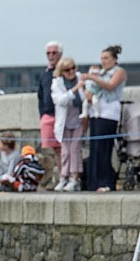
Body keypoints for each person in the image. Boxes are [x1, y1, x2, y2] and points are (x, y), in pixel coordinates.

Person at [80, 45, 127, 192]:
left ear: (114, 59)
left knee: (104, 148)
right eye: (102, 59)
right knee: (95, 149)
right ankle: (93, 182)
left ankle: (105, 182)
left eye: (106, 58)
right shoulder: (100, 73)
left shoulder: (119, 72)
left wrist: (92, 77)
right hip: (96, 113)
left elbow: (110, 86)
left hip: (109, 114)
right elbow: (91, 89)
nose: (104, 61)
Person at [51, 56, 86, 192]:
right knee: (65, 152)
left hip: (78, 120)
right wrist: (74, 90)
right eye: (67, 70)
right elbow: (60, 100)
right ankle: (63, 177)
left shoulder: (80, 78)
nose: (71, 72)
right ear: (62, 71)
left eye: (73, 68)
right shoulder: (57, 83)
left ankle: (74, 177)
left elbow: (84, 98)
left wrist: (79, 87)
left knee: (75, 150)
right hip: (64, 122)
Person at [38, 41, 63, 176]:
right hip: (48, 114)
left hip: (62, 115)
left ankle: (67, 177)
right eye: (48, 53)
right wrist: (42, 115)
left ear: (60, 54)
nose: (51, 56)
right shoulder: (45, 74)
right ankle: (61, 176)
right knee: (55, 149)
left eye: (54, 53)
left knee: (65, 149)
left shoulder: (66, 71)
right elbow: (40, 96)